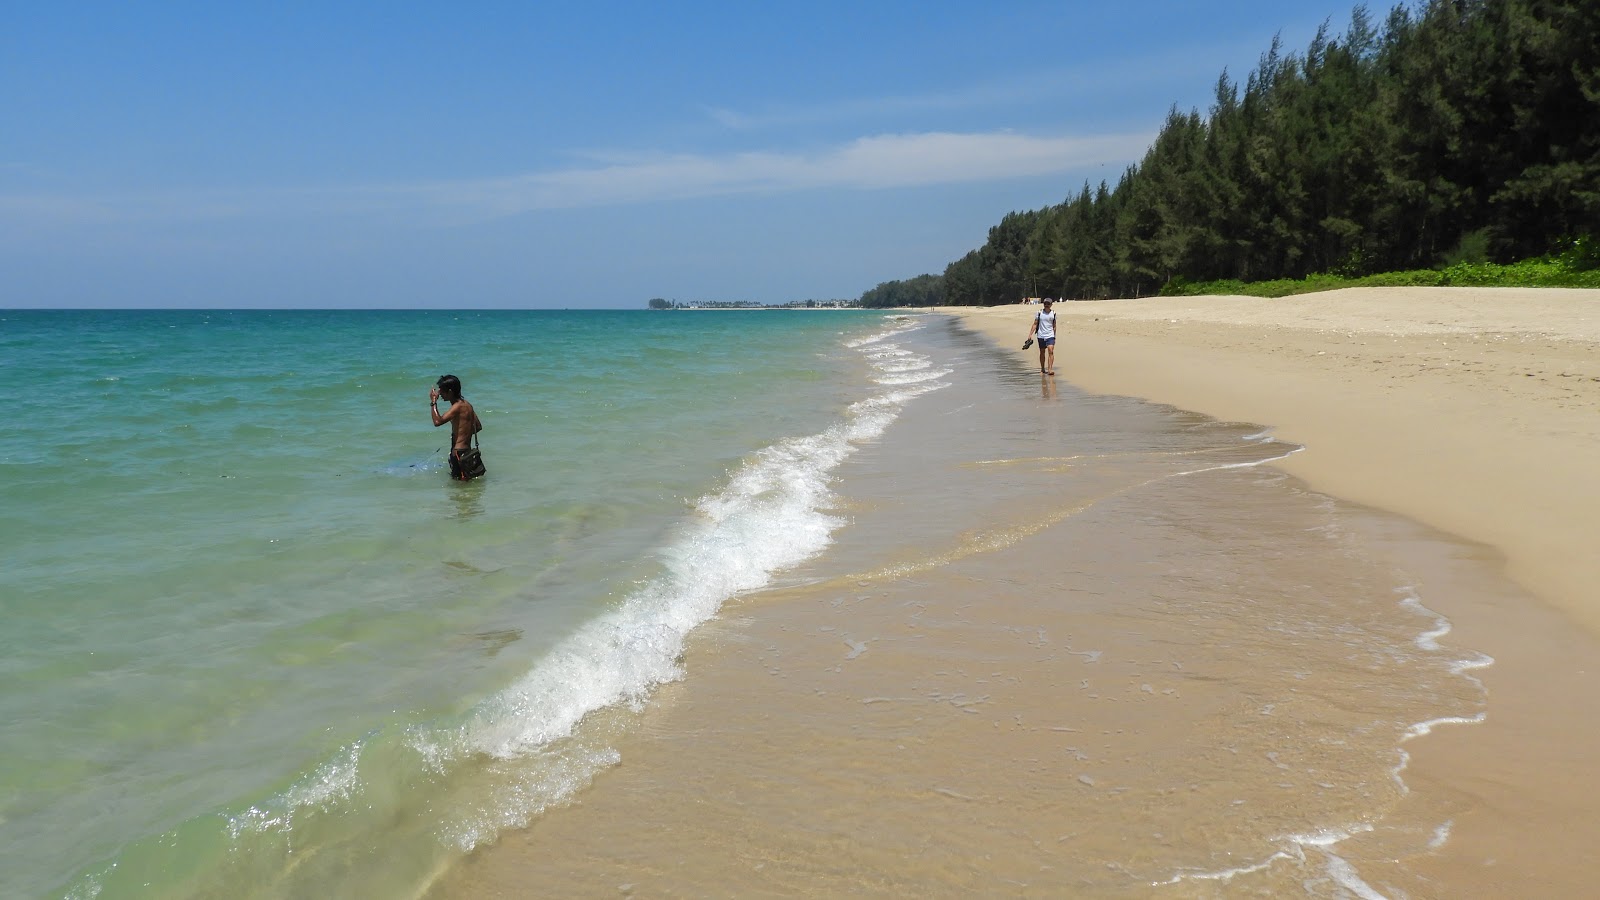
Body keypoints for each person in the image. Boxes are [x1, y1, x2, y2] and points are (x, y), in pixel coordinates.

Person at [430, 374, 483, 480]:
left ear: (450, 392)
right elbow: (478, 426)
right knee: (465, 483)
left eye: (442, 391)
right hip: (467, 451)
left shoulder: (457, 407)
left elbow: (437, 421)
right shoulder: (467, 405)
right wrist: (463, 434)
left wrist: (433, 402)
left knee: (459, 484)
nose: (440, 394)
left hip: (458, 452)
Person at [1027, 298, 1059, 375]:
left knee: (1050, 350)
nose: (1046, 305)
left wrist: (1054, 335)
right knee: (1042, 352)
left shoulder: (1053, 313)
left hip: (1050, 335)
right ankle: (1042, 368)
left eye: (1048, 304)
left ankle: (1050, 369)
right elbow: (1035, 324)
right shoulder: (1039, 313)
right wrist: (1030, 334)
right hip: (1041, 335)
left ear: (1051, 305)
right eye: (1045, 304)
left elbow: (1054, 325)